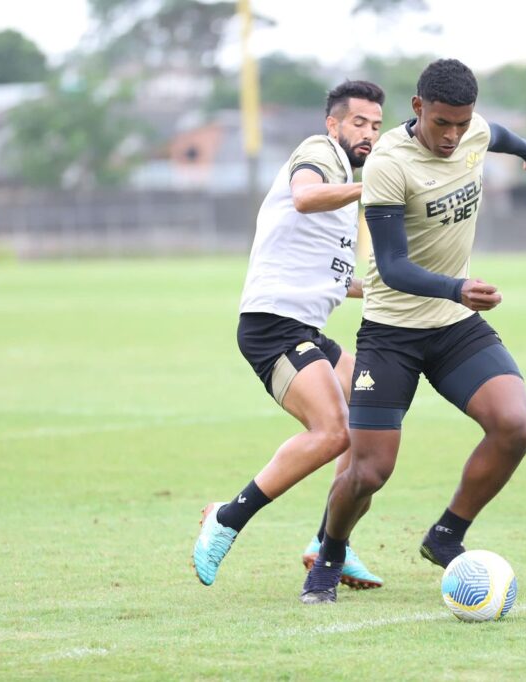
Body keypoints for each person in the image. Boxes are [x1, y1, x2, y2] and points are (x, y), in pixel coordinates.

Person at [299, 58, 526, 604]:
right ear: (418, 109)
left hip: (454, 327)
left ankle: (446, 535)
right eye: (443, 123)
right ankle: (328, 556)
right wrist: (457, 288)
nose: (454, 135)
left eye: (462, 124)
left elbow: (498, 135)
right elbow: (391, 268)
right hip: (392, 332)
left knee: (515, 424)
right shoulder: (390, 163)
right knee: (369, 471)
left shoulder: (473, 130)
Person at [193, 80, 386, 590]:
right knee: (333, 430)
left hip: (306, 328)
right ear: (333, 124)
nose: (368, 134)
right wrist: (376, 187)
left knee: (374, 415)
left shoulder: (344, 180)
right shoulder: (318, 153)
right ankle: (228, 517)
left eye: (375, 126)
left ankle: (328, 543)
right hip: (271, 326)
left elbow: (331, 277)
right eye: (358, 123)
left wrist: (384, 289)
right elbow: (304, 196)